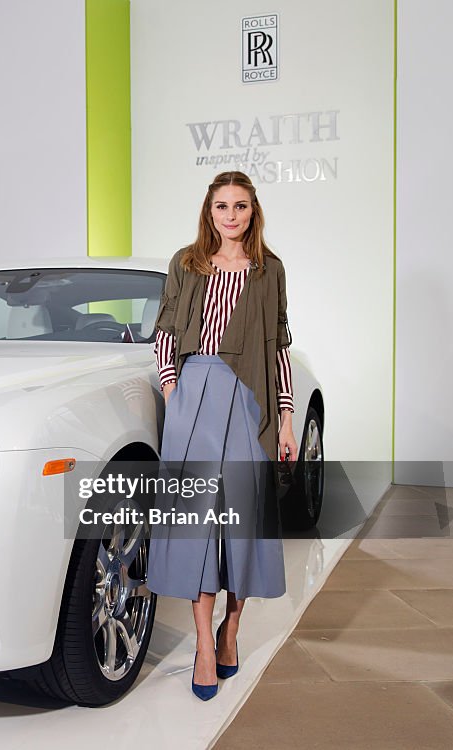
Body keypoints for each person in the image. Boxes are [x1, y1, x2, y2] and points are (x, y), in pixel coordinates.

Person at [149, 170, 298, 701]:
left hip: (250, 398)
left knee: (243, 521)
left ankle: (230, 630)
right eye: (221, 206)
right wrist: (174, 393)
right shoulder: (186, 263)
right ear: (208, 212)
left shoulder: (268, 270)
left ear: (252, 211)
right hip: (195, 394)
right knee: (196, 525)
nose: (230, 215)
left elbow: (279, 346)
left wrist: (285, 416)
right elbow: (165, 334)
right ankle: (204, 648)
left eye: (239, 206)